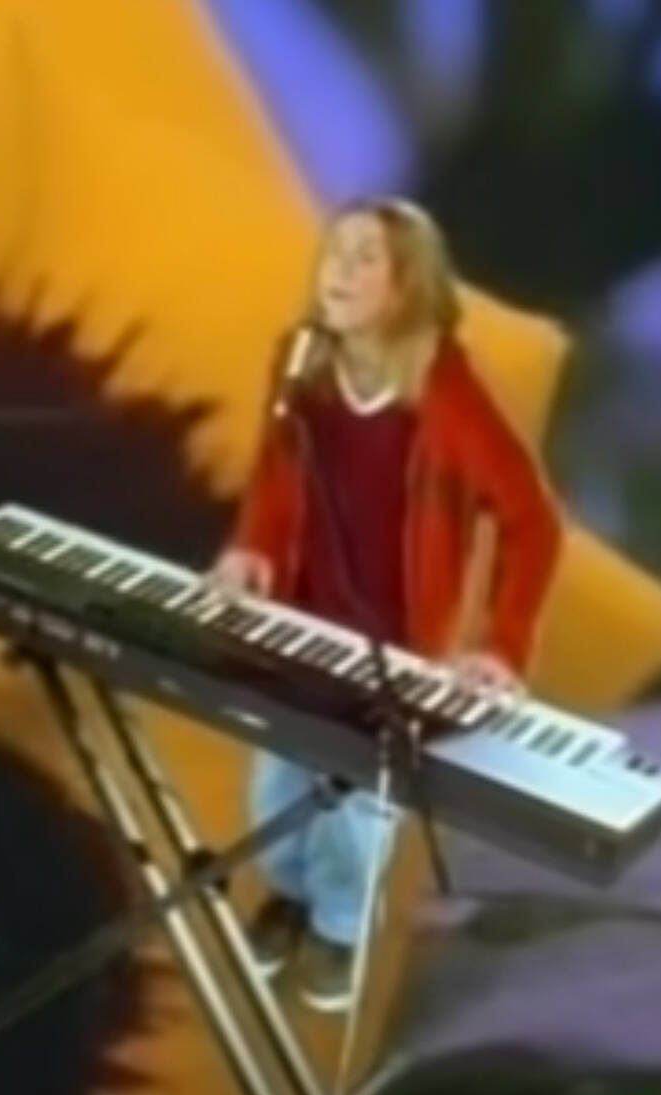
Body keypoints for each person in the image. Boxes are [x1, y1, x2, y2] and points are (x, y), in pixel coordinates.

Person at [208, 197, 561, 1012]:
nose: (336, 268)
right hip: (301, 627)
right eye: (334, 249)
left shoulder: (448, 397)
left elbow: (531, 523)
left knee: (357, 813)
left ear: (407, 286)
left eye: (364, 257)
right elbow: (276, 470)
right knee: (276, 793)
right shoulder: (300, 360)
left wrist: (500, 644)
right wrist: (251, 547)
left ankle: (337, 927)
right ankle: (289, 898)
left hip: (394, 651)